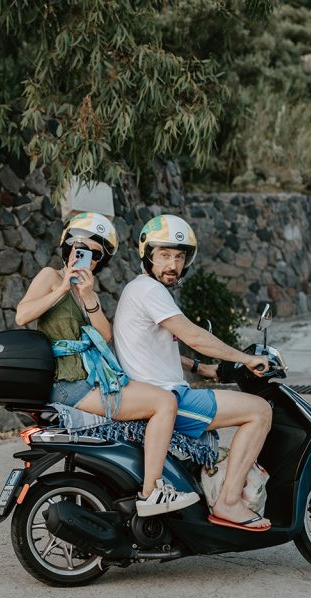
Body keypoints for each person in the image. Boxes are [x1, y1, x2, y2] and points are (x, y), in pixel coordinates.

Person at [15, 212, 198, 516]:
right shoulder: (50, 276)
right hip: (68, 384)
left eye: (95, 254)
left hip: (90, 379)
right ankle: (152, 492)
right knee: (164, 403)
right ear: (67, 247)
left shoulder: (87, 289)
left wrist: (87, 295)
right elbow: (22, 315)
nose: (86, 257)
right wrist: (62, 288)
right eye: (80, 248)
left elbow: (105, 335)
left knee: (157, 399)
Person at [113, 214, 273, 532]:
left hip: (157, 391)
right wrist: (246, 359)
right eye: (164, 255)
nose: (172, 264)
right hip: (168, 398)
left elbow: (153, 347)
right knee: (259, 411)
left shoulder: (140, 289)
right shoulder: (150, 291)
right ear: (148, 256)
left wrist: (200, 367)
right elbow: (194, 336)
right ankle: (229, 502)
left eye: (179, 257)